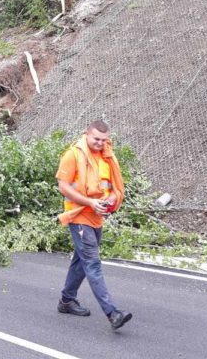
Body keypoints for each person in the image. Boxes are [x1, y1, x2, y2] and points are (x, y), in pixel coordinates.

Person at [55, 120, 132, 330]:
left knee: (81, 260)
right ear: (86, 134)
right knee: (92, 263)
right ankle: (112, 312)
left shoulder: (107, 156)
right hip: (78, 216)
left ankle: (67, 301)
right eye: (96, 139)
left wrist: (111, 201)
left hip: (97, 216)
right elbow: (63, 186)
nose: (100, 143)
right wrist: (90, 202)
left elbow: (112, 187)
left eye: (103, 140)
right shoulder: (72, 155)